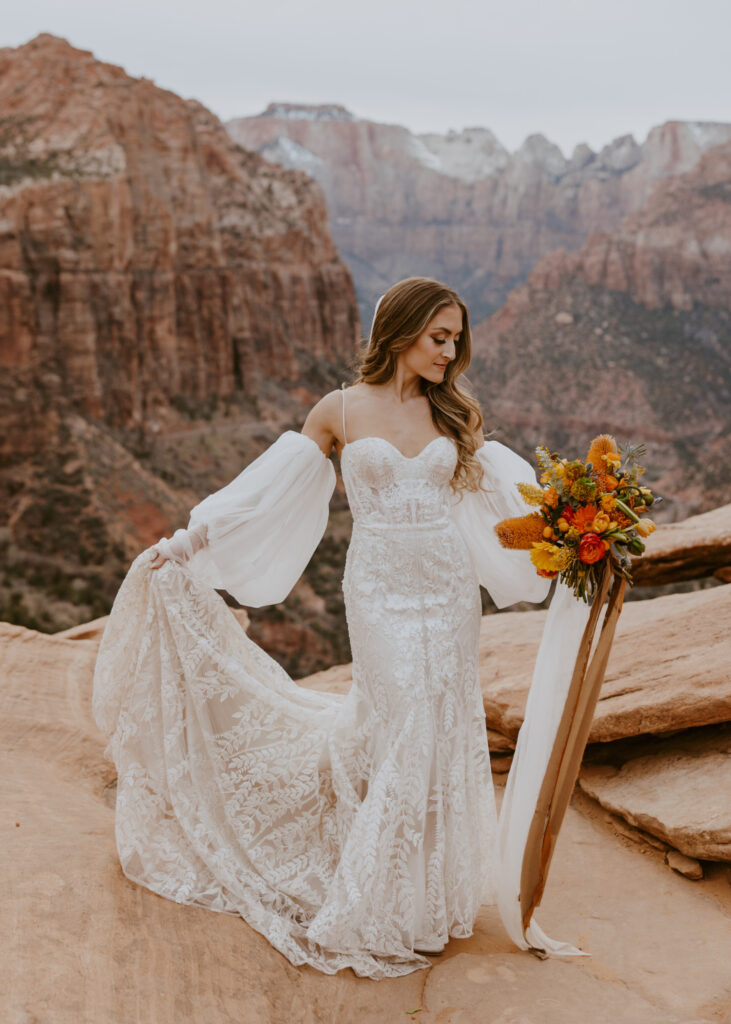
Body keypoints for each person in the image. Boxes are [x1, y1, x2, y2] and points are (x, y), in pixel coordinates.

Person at [92, 276, 554, 981]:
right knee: (398, 714)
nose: (449, 351)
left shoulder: (453, 415)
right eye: (438, 337)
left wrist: (578, 525)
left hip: (447, 588)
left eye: (456, 339)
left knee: (433, 719)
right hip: (377, 589)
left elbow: (507, 500)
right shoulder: (339, 409)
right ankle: (377, 896)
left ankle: (420, 898)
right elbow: (270, 491)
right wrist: (189, 542)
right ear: (399, 332)